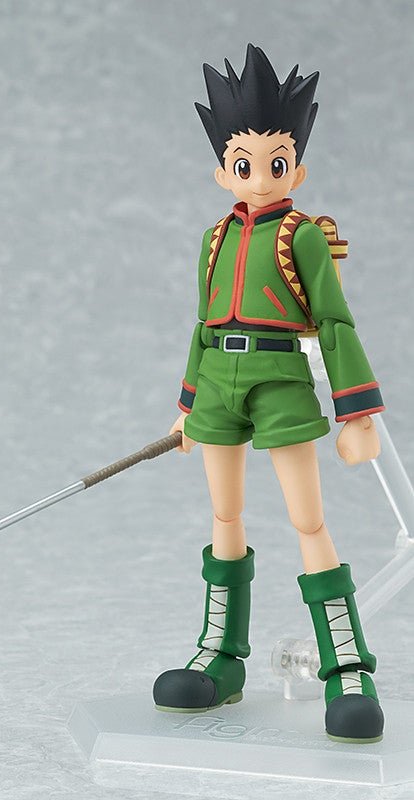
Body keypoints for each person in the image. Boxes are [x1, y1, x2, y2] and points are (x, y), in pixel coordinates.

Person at [152, 44, 385, 744]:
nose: (259, 178)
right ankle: (220, 654)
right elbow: (203, 324)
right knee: (224, 515)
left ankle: (347, 665)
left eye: (276, 164)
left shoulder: (302, 236)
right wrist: (187, 405)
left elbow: (336, 322)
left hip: (281, 378)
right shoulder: (213, 239)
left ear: (297, 170)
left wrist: (357, 411)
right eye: (244, 163)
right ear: (223, 170)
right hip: (218, 384)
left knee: (308, 520)